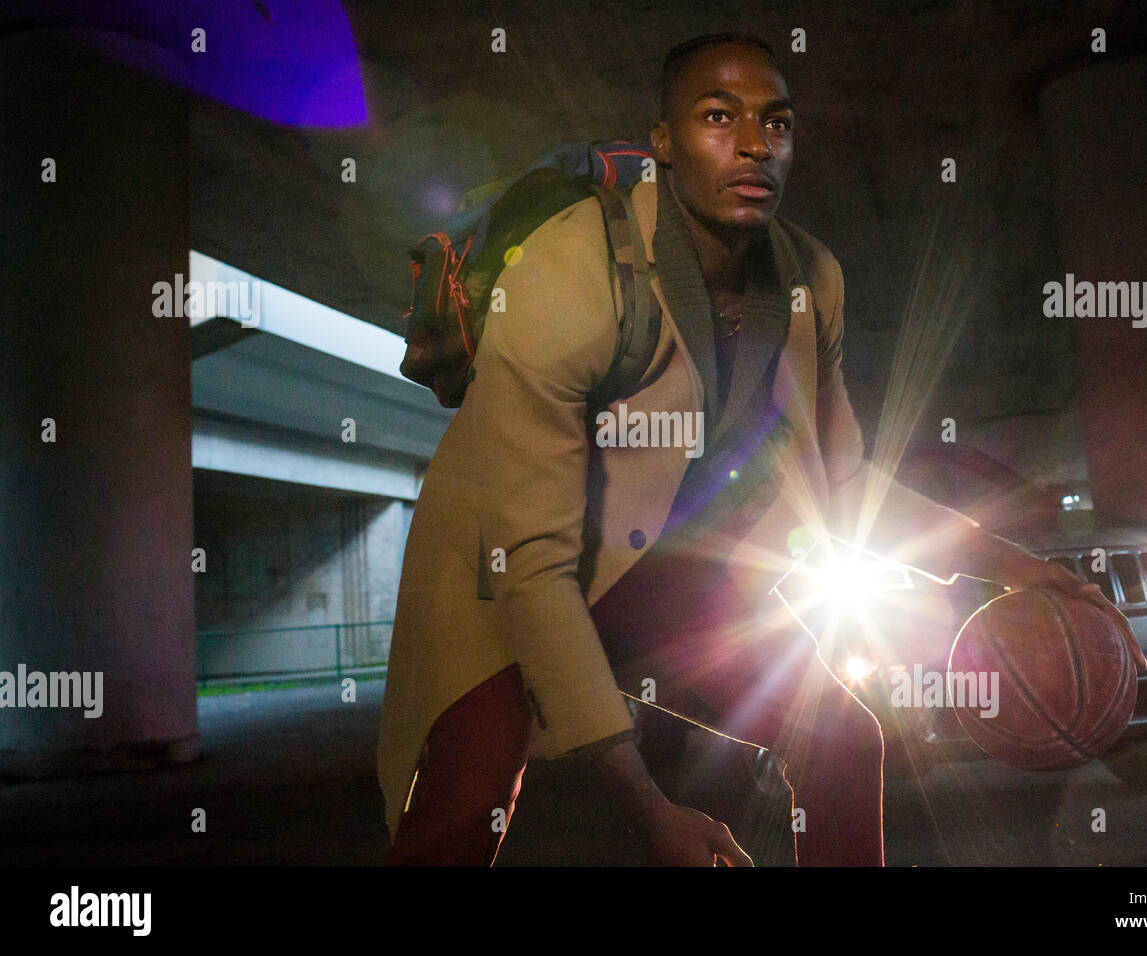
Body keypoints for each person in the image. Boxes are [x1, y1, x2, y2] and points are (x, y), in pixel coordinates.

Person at [377, 32, 1104, 866]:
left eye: (777, 122)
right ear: (663, 143)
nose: (755, 143)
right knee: (469, 799)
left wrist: (1013, 564)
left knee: (842, 739)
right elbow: (534, 566)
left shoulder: (809, 278)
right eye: (718, 117)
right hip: (506, 559)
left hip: (649, 554)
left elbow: (844, 478)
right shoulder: (564, 276)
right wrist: (652, 812)